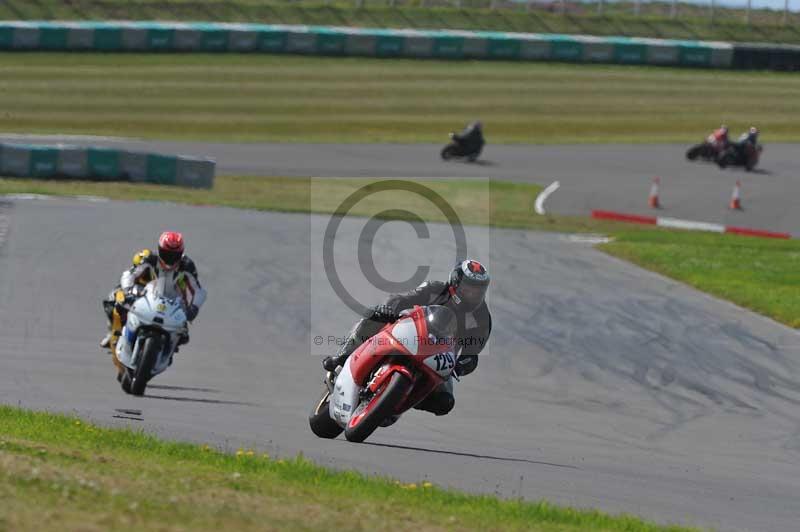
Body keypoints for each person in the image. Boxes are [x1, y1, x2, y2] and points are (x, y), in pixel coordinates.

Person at [322, 259, 492, 417]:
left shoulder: (482, 318)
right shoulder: (435, 289)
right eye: (469, 288)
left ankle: (400, 400)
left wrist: (459, 367)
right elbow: (401, 299)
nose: (473, 294)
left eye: (478, 290)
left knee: (444, 402)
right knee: (375, 315)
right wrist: (389, 308)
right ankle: (342, 356)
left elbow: (472, 354)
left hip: (438, 357)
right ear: (455, 283)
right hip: (411, 334)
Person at [100, 231, 207, 351]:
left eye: (174, 255)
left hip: (174, 302)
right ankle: (113, 334)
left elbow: (199, 291)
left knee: (183, 334)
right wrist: (127, 291)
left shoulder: (187, 265)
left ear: (181, 253)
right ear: (159, 250)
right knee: (115, 298)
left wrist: (194, 308)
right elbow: (128, 274)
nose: (170, 259)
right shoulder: (149, 258)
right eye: (166, 254)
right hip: (147, 296)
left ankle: (171, 346)